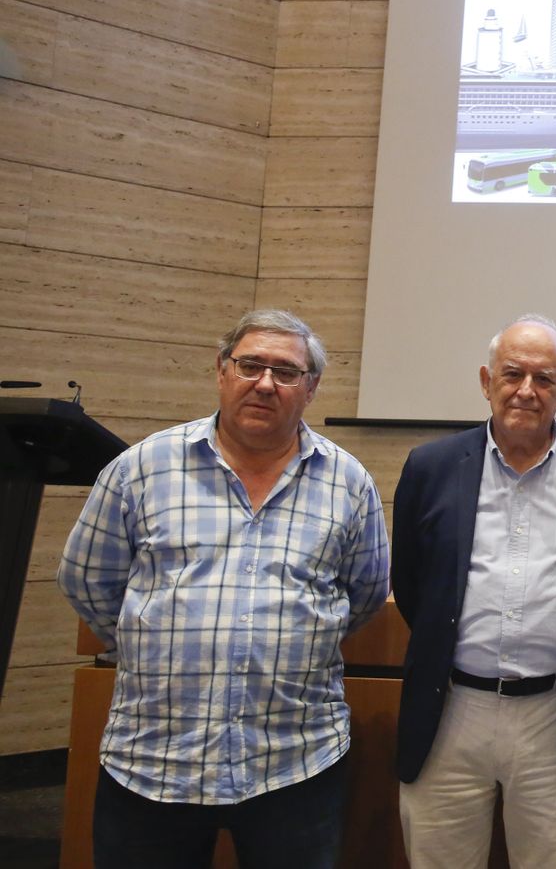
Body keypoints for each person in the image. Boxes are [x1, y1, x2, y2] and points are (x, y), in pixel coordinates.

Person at [57, 309, 389, 868]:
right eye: (250, 365)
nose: (265, 383)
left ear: (311, 388)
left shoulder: (349, 483)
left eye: (286, 372)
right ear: (221, 370)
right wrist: (147, 642)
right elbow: (88, 577)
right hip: (155, 759)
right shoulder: (142, 468)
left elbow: (365, 593)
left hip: (295, 762)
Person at [391, 315, 556, 869]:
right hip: (450, 707)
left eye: (544, 379)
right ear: (487, 382)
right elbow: (410, 585)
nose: (527, 390)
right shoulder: (430, 467)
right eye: (512, 374)